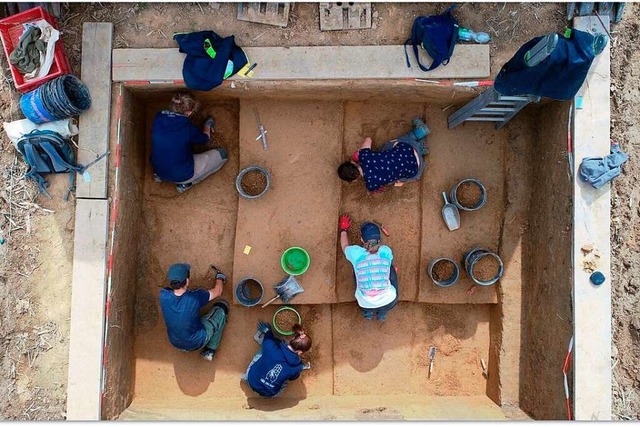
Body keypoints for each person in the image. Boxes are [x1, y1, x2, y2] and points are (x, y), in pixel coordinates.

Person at [150, 90, 228, 193]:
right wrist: (207, 125)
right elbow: (204, 139)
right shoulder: (187, 129)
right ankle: (186, 184)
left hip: (158, 168)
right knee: (223, 155)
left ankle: (159, 176)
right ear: (190, 112)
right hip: (182, 173)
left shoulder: (158, 117)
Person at [337, 117, 430, 193]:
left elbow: (379, 189)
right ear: (353, 162)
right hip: (409, 148)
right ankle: (420, 131)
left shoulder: (371, 185)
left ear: (354, 180)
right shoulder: (364, 156)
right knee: (388, 147)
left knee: (396, 180)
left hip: (417, 168)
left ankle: (422, 149)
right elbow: (368, 139)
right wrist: (360, 151)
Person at [159, 263, 229, 361]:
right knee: (222, 307)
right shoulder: (195, 297)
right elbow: (218, 291)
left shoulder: (163, 296)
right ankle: (210, 350)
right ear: (187, 280)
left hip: (175, 342)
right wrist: (220, 277)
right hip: (196, 342)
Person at [339, 215, 399, 321]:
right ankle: (382, 314)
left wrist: (343, 229)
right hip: (389, 301)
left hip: (365, 303)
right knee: (391, 268)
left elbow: (344, 246)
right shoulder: (386, 251)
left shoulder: (356, 253)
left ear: (362, 239)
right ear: (379, 240)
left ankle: (368, 313)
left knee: (356, 270)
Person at [242, 322, 312, 398]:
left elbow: (267, 339)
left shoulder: (271, 347)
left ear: (292, 338)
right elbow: (293, 378)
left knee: (263, 352)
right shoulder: (297, 368)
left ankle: (246, 377)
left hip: (252, 381)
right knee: (285, 378)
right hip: (269, 393)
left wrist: (268, 331)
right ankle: (303, 365)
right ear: (300, 352)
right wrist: (298, 367)